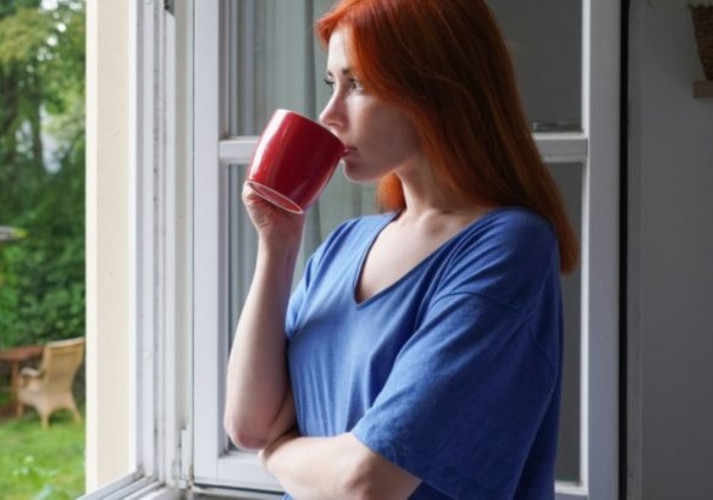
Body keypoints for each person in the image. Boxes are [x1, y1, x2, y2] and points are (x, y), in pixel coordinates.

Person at [224, 0, 578, 498]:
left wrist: (280, 455)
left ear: (435, 91)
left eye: (358, 84)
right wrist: (277, 246)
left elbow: (368, 482)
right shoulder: (342, 246)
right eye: (332, 84)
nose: (329, 114)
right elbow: (250, 424)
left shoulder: (509, 246)